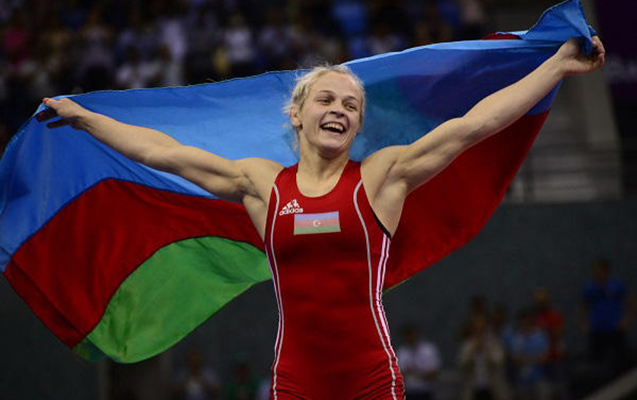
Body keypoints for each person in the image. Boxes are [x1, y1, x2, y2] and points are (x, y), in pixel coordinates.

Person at [37, 36, 605, 399]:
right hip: (296, 382)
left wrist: (556, 65)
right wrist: (87, 119)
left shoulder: (381, 177)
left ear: (358, 124)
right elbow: (164, 152)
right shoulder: (262, 185)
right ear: (298, 114)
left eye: (351, 106)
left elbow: (474, 125)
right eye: (326, 101)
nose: (339, 110)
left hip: (371, 380)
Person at [397, 325, 441, 400]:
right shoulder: (401, 352)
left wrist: (417, 373)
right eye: (407, 336)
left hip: (424, 391)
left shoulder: (428, 350)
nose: (410, 338)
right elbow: (398, 375)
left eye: (411, 335)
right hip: (407, 392)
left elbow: (434, 374)